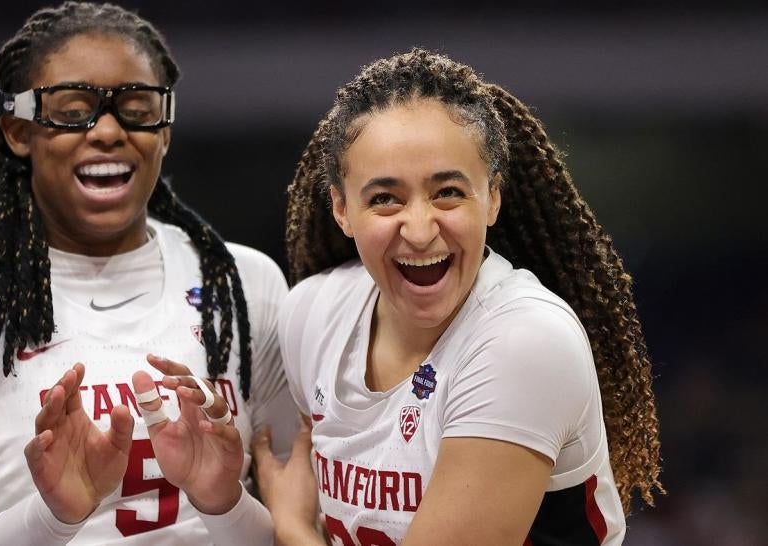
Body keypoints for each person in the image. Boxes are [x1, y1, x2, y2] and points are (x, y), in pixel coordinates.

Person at [0, 2, 297, 544]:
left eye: (138, 108)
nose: (109, 131)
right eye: (74, 111)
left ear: (165, 131)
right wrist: (53, 516)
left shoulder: (245, 285)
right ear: (18, 130)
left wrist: (224, 502)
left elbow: (296, 531)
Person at [252, 49, 663, 545]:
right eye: (385, 198)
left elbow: (293, 517)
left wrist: (293, 529)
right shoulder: (312, 314)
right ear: (341, 208)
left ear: (492, 196)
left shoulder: (525, 342)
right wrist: (220, 500)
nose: (421, 230)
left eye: (448, 191)